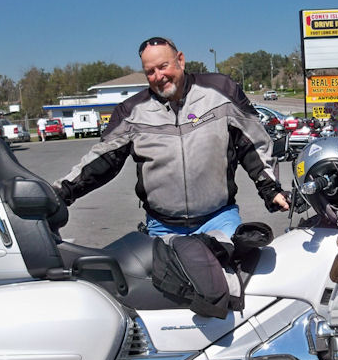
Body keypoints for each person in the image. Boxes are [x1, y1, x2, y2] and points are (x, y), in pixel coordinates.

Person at [53, 36, 288, 238]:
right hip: (162, 227)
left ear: (181, 60)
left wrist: (271, 190)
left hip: (219, 219)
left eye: (163, 66)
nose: (159, 76)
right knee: (159, 289)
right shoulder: (132, 111)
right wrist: (60, 194)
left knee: (236, 281)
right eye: (150, 72)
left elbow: (252, 144)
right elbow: (102, 160)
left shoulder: (221, 91)